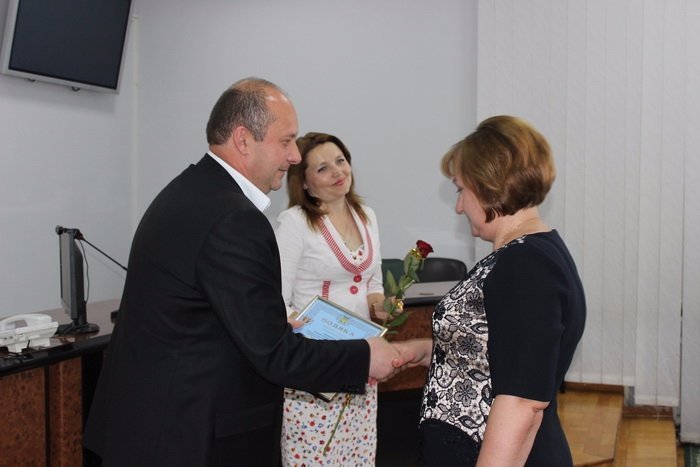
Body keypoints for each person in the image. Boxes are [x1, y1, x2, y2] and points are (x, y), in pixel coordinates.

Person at [83, 78, 404, 467]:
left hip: (155, 424)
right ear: (243, 140)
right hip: (188, 435)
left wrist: (276, 324)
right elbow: (274, 354)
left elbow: (217, 318)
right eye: (286, 141)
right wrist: (363, 357)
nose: (294, 157)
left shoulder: (192, 190)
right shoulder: (234, 219)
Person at [394, 115, 586, 466]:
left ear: (488, 186)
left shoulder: (525, 265)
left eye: (460, 190)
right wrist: (421, 350)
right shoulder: (528, 253)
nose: (459, 207)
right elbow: (496, 351)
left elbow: (522, 401)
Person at [275, 132, 386, 465]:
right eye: (323, 168)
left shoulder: (366, 215)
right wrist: (308, 334)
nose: (338, 171)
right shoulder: (294, 222)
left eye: (341, 161)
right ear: (304, 182)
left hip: (361, 359)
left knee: (358, 454)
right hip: (316, 362)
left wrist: (380, 304)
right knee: (315, 456)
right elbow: (277, 298)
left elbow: (373, 280)